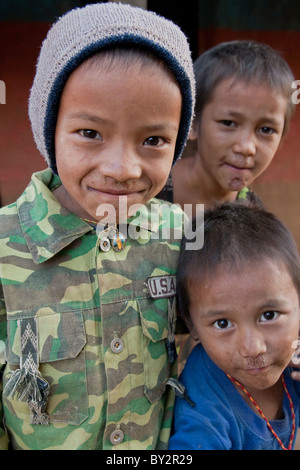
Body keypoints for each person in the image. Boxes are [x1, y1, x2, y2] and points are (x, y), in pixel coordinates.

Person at [0, 3, 196, 450]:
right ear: (48, 130)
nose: (123, 169)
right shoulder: (5, 245)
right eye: (90, 133)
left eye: (153, 141)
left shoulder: (177, 235)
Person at [169, 202, 300, 450]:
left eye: (269, 315)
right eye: (223, 323)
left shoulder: (294, 358)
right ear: (191, 324)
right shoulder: (205, 407)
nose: (253, 348)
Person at [158, 40, 295, 214]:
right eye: (228, 123)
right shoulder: (148, 193)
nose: (246, 148)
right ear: (192, 123)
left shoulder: (254, 220)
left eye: (266, 130)